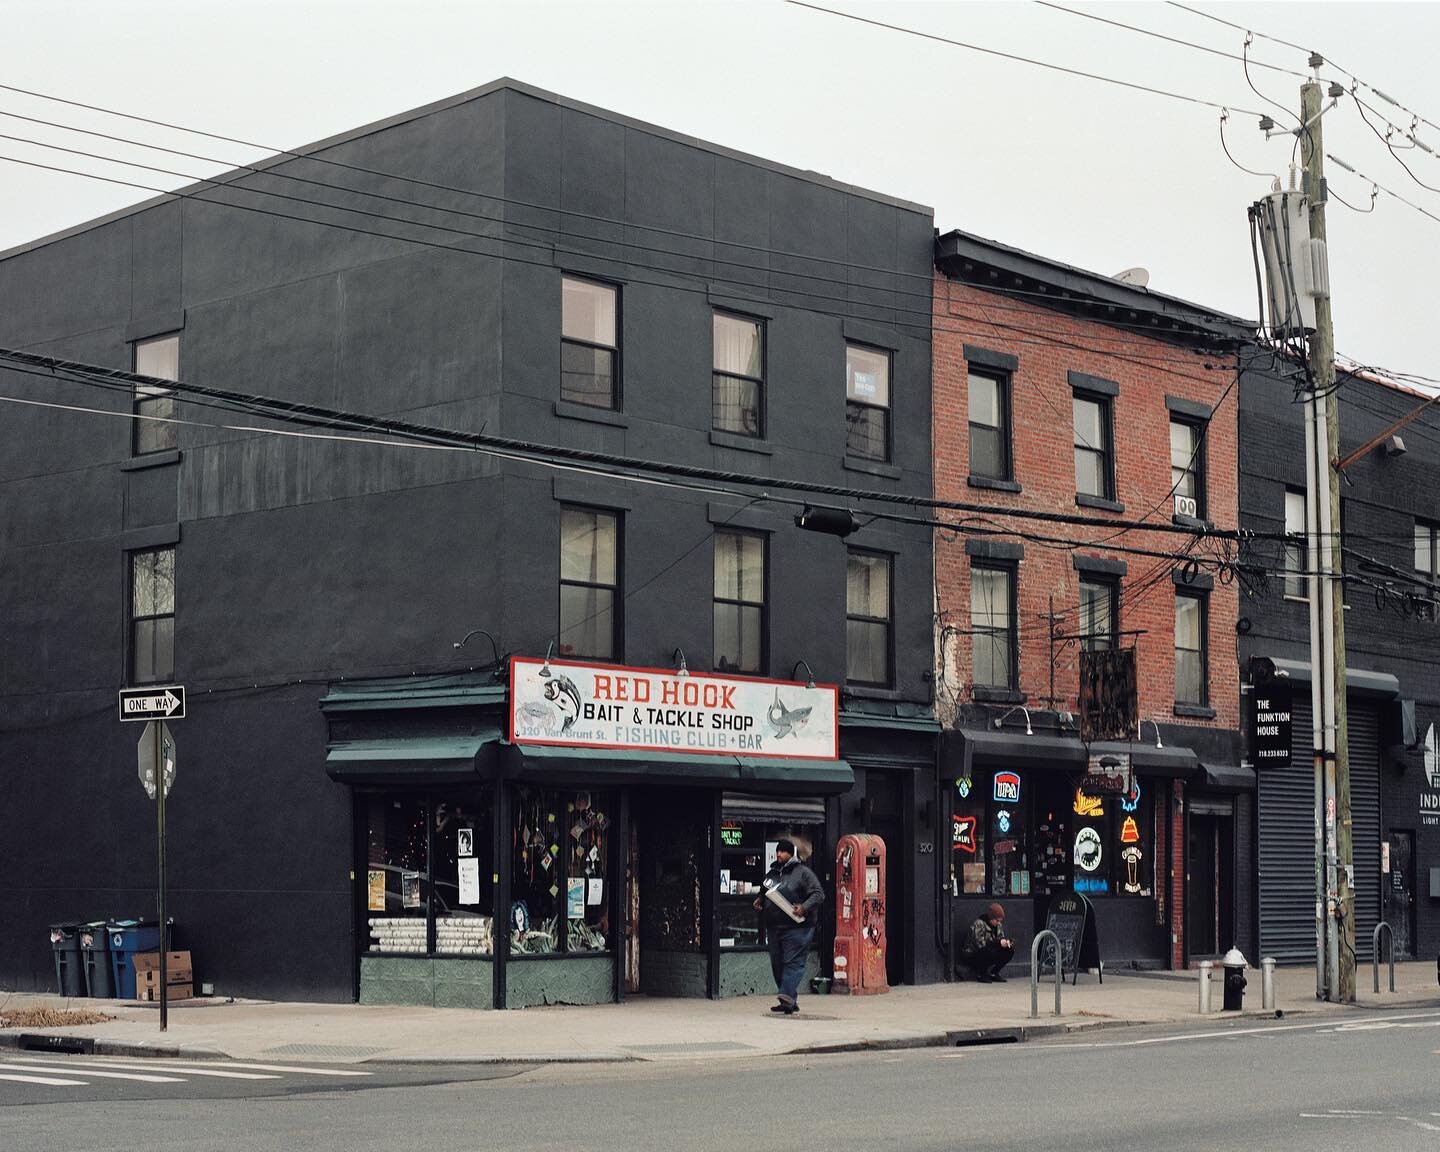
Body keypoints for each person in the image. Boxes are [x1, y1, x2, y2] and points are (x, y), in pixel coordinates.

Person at [752, 839, 824, 1014]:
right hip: (775, 926)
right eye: (777, 852)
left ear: (791, 853)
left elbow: (818, 894)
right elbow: (764, 891)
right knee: (777, 964)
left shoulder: (803, 873)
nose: (779, 854)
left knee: (793, 962)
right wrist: (760, 901)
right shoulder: (772, 872)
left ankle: (785, 995)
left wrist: (804, 907)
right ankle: (789, 1001)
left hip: (799, 927)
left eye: (783, 852)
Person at [958, 902, 1014, 983]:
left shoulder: (998, 926)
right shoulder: (979, 924)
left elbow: (1000, 938)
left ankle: (994, 973)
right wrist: (998, 943)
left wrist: (1006, 942)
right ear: (991, 917)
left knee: (1010, 950)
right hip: (972, 954)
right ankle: (980, 973)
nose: (998, 923)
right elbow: (981, 945)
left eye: (1000, 921)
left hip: (989, 950)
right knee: (989, 952)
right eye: (997, 920)